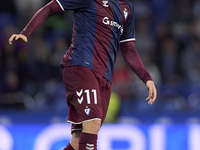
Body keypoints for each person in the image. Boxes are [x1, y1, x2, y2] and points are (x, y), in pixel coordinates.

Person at [8, 0, 157, 150]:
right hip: (81, 67)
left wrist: (146, 78)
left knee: (78, 140)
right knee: (92, 123)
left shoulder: (127, 9)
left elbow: (128, 50)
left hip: (104, 76)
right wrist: (25, 32)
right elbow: (52, 7)